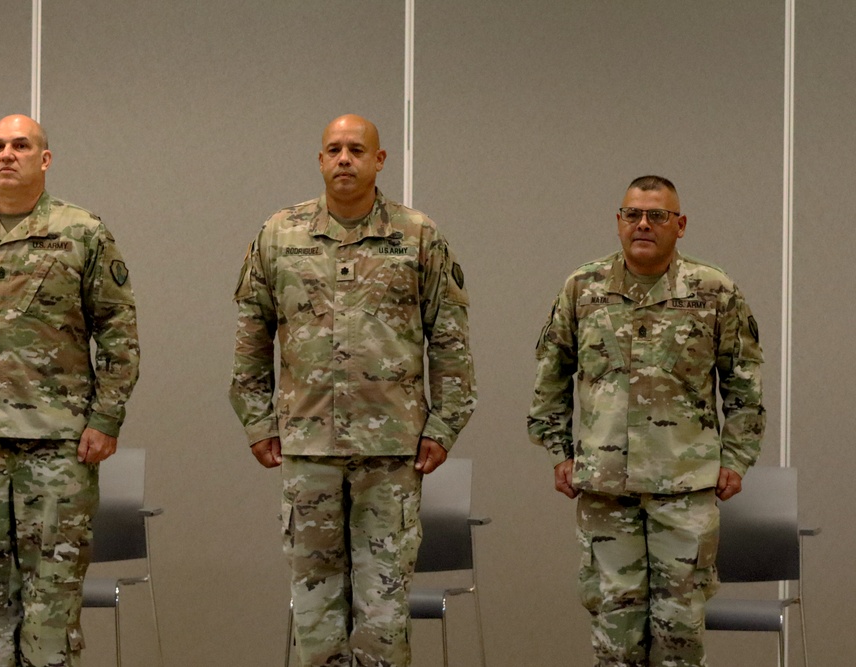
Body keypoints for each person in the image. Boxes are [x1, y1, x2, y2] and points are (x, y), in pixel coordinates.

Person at [229, 114, 477, 667]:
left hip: (391, 452)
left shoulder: (417, 236)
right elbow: (252, 333)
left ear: (379, 160)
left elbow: (451, 339)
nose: (345, 159)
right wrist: (256, 420)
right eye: (334, 149)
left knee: (384, 612)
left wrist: (443, 426)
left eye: (357, 150)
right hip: (307, 448)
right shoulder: (279, 235)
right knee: (314, 610)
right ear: (320, 160)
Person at [0, 114, 139, 667]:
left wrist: (106, 419)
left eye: (21, 145)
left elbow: (119, 333)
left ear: (45, 159)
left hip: (58, 448)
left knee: (50, 615)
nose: (7, 155)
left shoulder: (83, 232)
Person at [527, 175, 764, 666]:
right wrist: (560, 452)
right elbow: (550, 377)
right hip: (605, 492)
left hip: (684, 490)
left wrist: (737, 459)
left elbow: (743, 384)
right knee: (615, 638)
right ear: (618, 222)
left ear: (680, 225)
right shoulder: (583, 289)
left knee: (680, 636)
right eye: (632, 214)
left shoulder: (714, 291)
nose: (643, 224)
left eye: (657, 215)